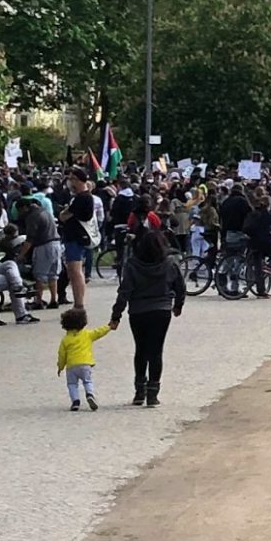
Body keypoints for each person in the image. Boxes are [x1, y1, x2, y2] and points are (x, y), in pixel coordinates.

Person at [110, 230, 186, 407]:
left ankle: (139, 391)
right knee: (156, 351)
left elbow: (125, 291)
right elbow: (180, 286)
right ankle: (153, 393)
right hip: (161, 309)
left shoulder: (132, 265)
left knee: (141, 349)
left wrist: (116, 315)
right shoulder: (170, 263)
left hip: (138, 311)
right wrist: (178, 305)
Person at [57, 307, 111, 411]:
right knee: (87, 381)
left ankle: (75, 401)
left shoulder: (65, 339)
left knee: (72, 384)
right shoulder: (87, 334)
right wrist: (109, 327)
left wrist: (60, 366)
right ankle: (90, 394)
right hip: (85, 364)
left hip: (71, 366)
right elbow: (99, 332)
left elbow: (62, 354)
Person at [60, 167, 97, 309]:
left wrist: (66, 213)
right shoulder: (80, 197)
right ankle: (78, 301)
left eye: (72, 179)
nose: (69, 182)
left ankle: (79, 303)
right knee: (73, 271)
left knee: (75, 271)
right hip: (74, 237)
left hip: (75, 238)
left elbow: (65, 215)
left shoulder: (82, 198)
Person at [17, 198, 62, 310]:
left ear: (24, 207)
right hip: (56, 244)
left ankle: (38, 301)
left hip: (43, 246)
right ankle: (53, 300)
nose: (20, 214)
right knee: (53, 274)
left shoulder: (32, 216)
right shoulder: (44, 211)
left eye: (20, 210)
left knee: (39, 275)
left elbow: (29, 239)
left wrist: (21, 255)